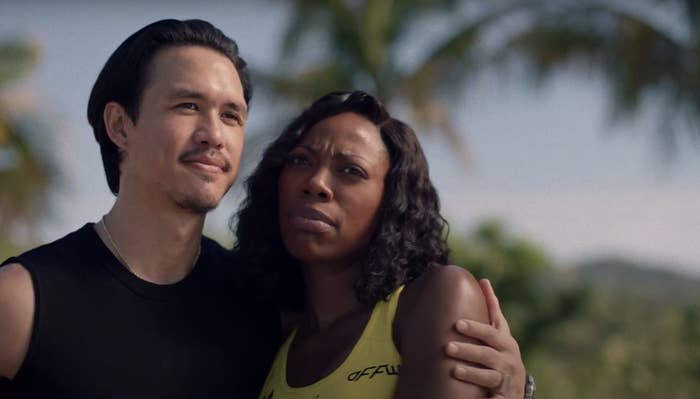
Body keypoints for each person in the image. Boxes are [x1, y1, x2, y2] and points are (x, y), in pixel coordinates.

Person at [0, 19, 530, 399]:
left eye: (232, 115)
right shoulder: (22, 300)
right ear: (121, 127)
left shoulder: (264, 307)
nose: (214, 134)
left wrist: (517, 387)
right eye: (188, 106)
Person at [235, 90, 533, 399]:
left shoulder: (435, 298)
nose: (316, 183)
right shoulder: (275, 334)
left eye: (352, 170)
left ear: (391, 201)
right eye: (300, 161)